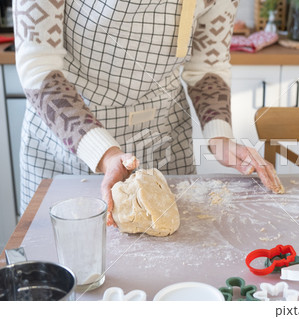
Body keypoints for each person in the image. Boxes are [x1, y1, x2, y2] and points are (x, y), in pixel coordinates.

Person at [13, 0, 283, 224]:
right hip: (70, 145)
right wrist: (105, 154)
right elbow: (39, 67)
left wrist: (219, 136)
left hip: (164, 139)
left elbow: (208, 65)